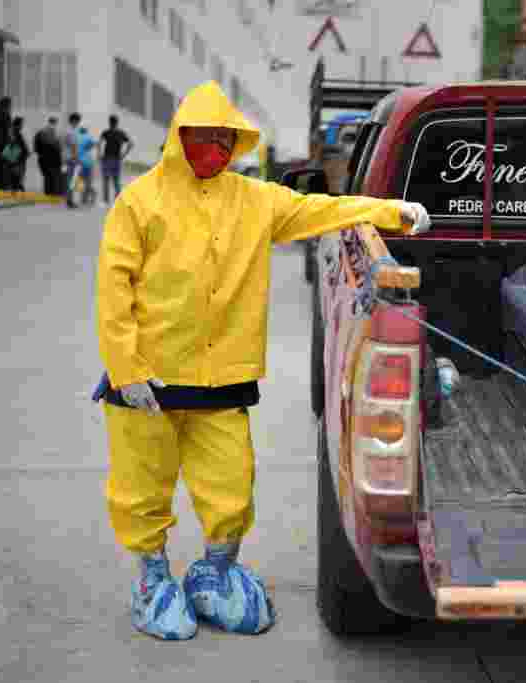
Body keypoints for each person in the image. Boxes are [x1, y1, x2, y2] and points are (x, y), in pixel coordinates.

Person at [91, 81, 430, 641]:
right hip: (145, 383)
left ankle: (217, 573)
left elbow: (324, 210)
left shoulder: (255, 201)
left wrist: (392, 212)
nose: (216, 148)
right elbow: (113, 292)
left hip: (221, 382)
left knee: (230, 487)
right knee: (142, 488)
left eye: (225, 138)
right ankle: (153, 579)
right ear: (180, 138)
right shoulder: (139, 203)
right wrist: (126, 372)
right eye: (205, 137)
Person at [99, 115, 132, 205]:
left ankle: (105, 200)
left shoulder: (106, 132)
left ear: (109, 122)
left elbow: (99, 143)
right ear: (117, 123)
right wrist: (124, 155)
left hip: (107, 158)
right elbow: (131, 143)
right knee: (116, 180)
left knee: (106, 179)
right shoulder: (121, 133)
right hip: (117, 159)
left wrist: (99, 155)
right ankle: (118, 199)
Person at [34, 117, 64, 196]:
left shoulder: (40, 132)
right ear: (55, 122)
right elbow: (58, 147)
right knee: (55, 176)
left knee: (47, 176)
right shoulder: (55, 133)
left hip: (43, 158)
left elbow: (36, 148)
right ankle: (54, 193)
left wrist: (40, 154)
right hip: (54, 159)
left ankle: (48, 193)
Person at [4, 117, 30, 192]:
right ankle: (17, 189)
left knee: (16, 178)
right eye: (21, 124)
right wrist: (26, 153)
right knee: (16, 178)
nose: (22, 126)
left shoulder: (13, 133)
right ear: (18, 125)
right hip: (17, 160)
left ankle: (18, 188)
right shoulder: (15, 133)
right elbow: (17, 146)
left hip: (16, 160)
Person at [76, 126, 98, 206]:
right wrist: (88, 147)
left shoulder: (78, 137)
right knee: (87, 181)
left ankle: (85, 198)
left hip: (80, 162)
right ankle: (88, 196)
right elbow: (95, 143)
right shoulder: (88, 137)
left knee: (81, 181)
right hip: (88, 162)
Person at [63, 112, 81, 208]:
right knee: (72, 180)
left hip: (65, 158)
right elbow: (74, 146)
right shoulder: (72, 131)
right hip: (71, 159)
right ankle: (70, 200)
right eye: (78, 121)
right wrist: (76, 158)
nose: (78, 123)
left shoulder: (66, 130)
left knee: (68, 179)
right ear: (74, 121)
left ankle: (68, 199)